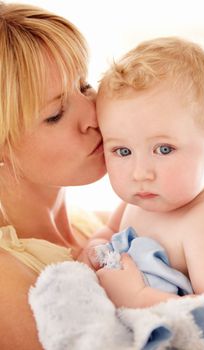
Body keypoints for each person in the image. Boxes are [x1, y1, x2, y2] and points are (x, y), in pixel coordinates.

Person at [85, 36, 204, 348]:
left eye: (164, 149)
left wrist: (138, 297)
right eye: (122, 151)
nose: (140, 173)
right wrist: (94, 250)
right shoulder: (144, 200)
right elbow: (108, 232)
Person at [0, 2, 106, 349]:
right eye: (56, 114)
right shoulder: (8, 277)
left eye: (85, 86)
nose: (92, 114)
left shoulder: (101, 225)